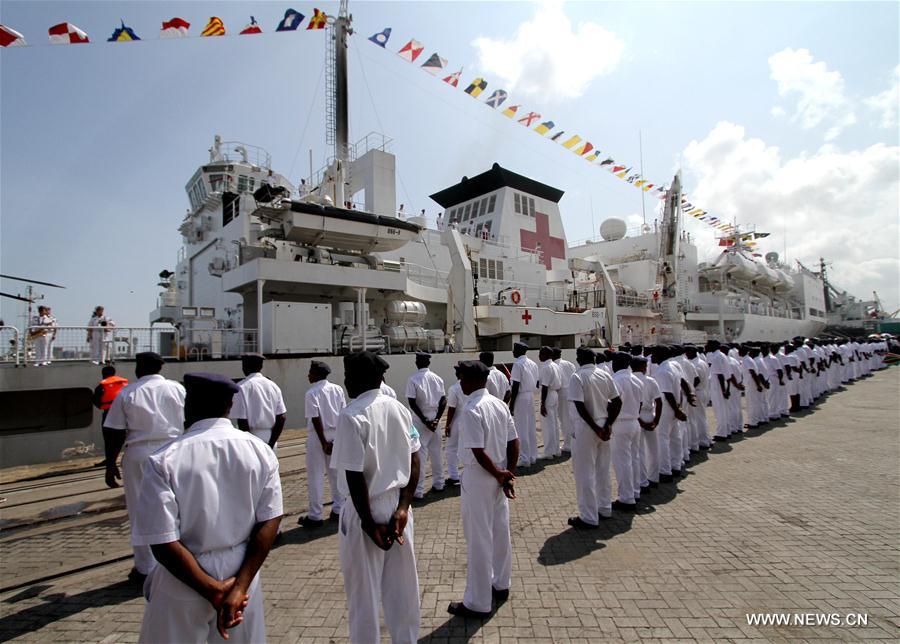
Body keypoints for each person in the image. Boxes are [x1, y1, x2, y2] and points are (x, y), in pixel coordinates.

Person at [134, 373, 283, 644]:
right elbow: (270, 521)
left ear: (189, 404)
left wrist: (212, 589)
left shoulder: (163, 460)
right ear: (230, 405)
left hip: (184, 575)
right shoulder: (261, 452)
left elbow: (162, 539)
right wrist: (239, 587)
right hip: (243, 572)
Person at [332, 351, 421, 643]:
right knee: (404, 589)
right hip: (398, 508)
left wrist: (369, 524)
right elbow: (415, 459)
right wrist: (404, 508)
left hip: (364, 510)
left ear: (358, 379)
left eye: (348, 376)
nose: (345, 382)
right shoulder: (400, 410)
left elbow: (354, 475)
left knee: (364, 596)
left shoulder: (351, 415)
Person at [103, 352, 186, 579]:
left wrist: (110, 464)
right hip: (174, 450)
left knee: (139, 509)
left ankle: (146, 566)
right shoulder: (177, 389)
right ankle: (181, 560)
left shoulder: (127, 393)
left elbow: (114, 432)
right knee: (178, 506)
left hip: (140, 453)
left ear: (139, 368)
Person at [448, 360, 519, 618]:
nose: (460, 383)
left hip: (480, 476)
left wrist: (500, 474)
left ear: (473, 380)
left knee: (478, 539)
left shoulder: (472, 409)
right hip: (498, 474)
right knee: (500, 532)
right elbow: (514, 442)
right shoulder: (499, 404)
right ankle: (501, 584)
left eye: (462, 378)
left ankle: (477, 602)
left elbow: (478, 452)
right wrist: (508, 474)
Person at [567, 347, 622, 529]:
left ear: (580, 359)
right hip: (603, 423)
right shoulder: (605, 375)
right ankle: (604, 508)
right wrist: (608, 425)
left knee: (585, 472)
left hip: (586, 427)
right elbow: (617, 401)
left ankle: (588, 517)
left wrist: (596, 428)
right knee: (603, 469)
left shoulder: (577, 377)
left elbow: (580, 406)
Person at [298, 360, 347, 528]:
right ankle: (339, 509)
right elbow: (343, 414)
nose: (308, 375)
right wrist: (337, 440)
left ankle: (315, 515)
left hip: (318, 436)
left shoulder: (311, 393)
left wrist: (324, 442)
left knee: (315, 475)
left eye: (310, 372)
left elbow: (315, 417)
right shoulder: (338, 389)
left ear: (317, 374)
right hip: (336, 433)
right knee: (336, 474)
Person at [405, 352, 446, 498]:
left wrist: (424, 420)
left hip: (419, 421)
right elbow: (443, 400)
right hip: (435, 419)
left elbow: (412, 402)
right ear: (428, 363)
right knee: (437, 454)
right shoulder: (437, 378)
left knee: (420, 456)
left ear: (417, 362)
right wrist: (436, 419)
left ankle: (418, 491)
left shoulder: (413, 379)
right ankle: (439, 484)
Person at [231, 353, 286, 449]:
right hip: (271, 437)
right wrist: (271, 443)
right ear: (261, 367)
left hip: (252, 438)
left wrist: (249, 445)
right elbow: (282, 417)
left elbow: (242, 422)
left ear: (245, 367)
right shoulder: (273, 386)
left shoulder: (242, 387)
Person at [610, 352, 643, 511]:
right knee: (634, 459)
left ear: (617, 363)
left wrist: (608, 424)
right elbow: (640, 403)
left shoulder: (616, 380)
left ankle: (626, 498)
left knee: (622, 462)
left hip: (621, 423)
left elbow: (614, 404)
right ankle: (635, 491)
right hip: (634, 422)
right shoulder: (637, 379)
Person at [632, 356, 662, 490]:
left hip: (636, 416)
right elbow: (659, 402)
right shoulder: (650, 381)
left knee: (639, 451)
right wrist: (656, 421)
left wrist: (640, 421)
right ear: (643, 367)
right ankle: (654, 478)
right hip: (650, 415)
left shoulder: (631, 380)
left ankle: (642, 481)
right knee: (653, 449)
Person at [509, 341, 540, 467]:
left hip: (521, 396)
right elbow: (537, 382)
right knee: (530, 426)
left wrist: (512, 404)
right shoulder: (533, 363)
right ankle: (533, 455)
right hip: (530, 396)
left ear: (519, 351)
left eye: (514, 349)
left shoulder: (517, 364)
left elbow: (515, 385)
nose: (513, 352)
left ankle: (524, 458)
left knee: (521, 428)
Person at [92, 365, 129, 465]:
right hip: (124, 414)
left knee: (109, 439)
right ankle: (120, 458)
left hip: (109, 414)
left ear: (103, 374)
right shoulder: (124, 384)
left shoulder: (102, 385)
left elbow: (95, 400)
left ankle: (110, 461)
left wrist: (102, 406)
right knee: (121, 438)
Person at [443, 365, 467, 487]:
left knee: (451, 449)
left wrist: (447, 425)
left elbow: (452, 408)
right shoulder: (472, 386)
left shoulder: (454, 388)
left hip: (458, 419)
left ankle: (454, 476)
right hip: (470, 418)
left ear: (457, 374)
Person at [537, 346, 562, 459]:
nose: (539, 356)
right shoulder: (555, 365)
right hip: (555, 394)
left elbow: (545, 386)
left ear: (546, 355)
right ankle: (556, 450)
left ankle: (549, 452)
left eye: (541, 354)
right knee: (554, 424)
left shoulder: (546, 367)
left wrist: (542, 404)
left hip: (548, 395)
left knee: (548, 425)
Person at [552, 348, 577, 453]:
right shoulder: (569, 364)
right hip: (572, 392)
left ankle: (568, 444)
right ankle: (573, 442)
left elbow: (556, 383)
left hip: (561, 393)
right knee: (571, 419)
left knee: (564, 420)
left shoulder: (554, 366)